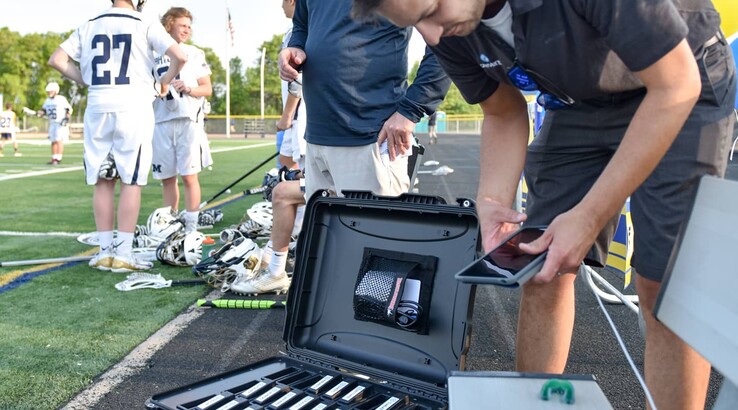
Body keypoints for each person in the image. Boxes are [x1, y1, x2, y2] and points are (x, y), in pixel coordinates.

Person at [352, 0, 736, 408]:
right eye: (415, 26)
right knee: (539, 264)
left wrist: (588, 217)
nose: (430, 36)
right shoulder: (449, 24)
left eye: (430, 11)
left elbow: (675, 85)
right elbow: (501, 110)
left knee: (663, 284)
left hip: (679, 80)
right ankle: (536, 404)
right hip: (581, 100)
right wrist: (492, 201)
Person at [48, 0, 187, 272]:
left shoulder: (89, 24)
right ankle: (123, 253)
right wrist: (164, 82)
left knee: (102, 179)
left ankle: (103, 251)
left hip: (98, 105)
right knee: (131, 180)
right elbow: (180, 57)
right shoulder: (144, 23)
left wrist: (86, 80)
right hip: (132, 106)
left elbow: (57, 59)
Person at [278, 0, 450, 200]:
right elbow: (301, 25)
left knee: (373, 229)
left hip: (372, 136)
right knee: (325, 230)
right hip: (317, 138)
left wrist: (410, 111)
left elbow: (447, 39)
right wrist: (295, 47)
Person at [152, 7, 213, 234]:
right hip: (161, 121)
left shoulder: (195, 53)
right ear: (169, 25)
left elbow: (207, 88)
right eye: (182, 25)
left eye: (189, 26)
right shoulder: (153, 51)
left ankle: (191, 227)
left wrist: (188, 88)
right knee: (167, 178)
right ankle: (169, 225)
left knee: (189, 176)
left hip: (188, 120)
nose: (187, 30)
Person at [275, 0, 307, 171]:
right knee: (286, 162)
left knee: (307, 173)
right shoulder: (293, 30)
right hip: (296, 114)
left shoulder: (296, 31)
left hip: (300, 115)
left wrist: (287, 116)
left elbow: (297, 76)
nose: (281, 6)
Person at [38, 81, 72, 165]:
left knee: (58, 140)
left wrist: (66, 118)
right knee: (53, 140)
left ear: (56, 91)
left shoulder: (61, 99)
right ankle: (54, 158)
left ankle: (58, 158)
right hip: (52, 123)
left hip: (60, 123)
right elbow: (44, 110)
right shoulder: (47, 101)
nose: (49, 92)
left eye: (51, 91)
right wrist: (40, 113)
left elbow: (68, 109)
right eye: (49, 91)